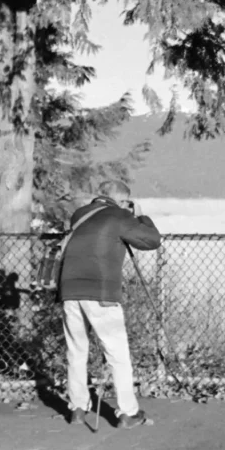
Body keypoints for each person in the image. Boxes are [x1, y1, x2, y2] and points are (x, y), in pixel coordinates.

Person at [59, 180, 161, 428]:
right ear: (123, 199)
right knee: (118, 355)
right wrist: (141, 216)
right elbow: (152, 240)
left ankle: (78, 409)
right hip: (102, 293)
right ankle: (128, 413)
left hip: (69, 291)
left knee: (76, 351)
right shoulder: (119, 215)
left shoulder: (80, 215)